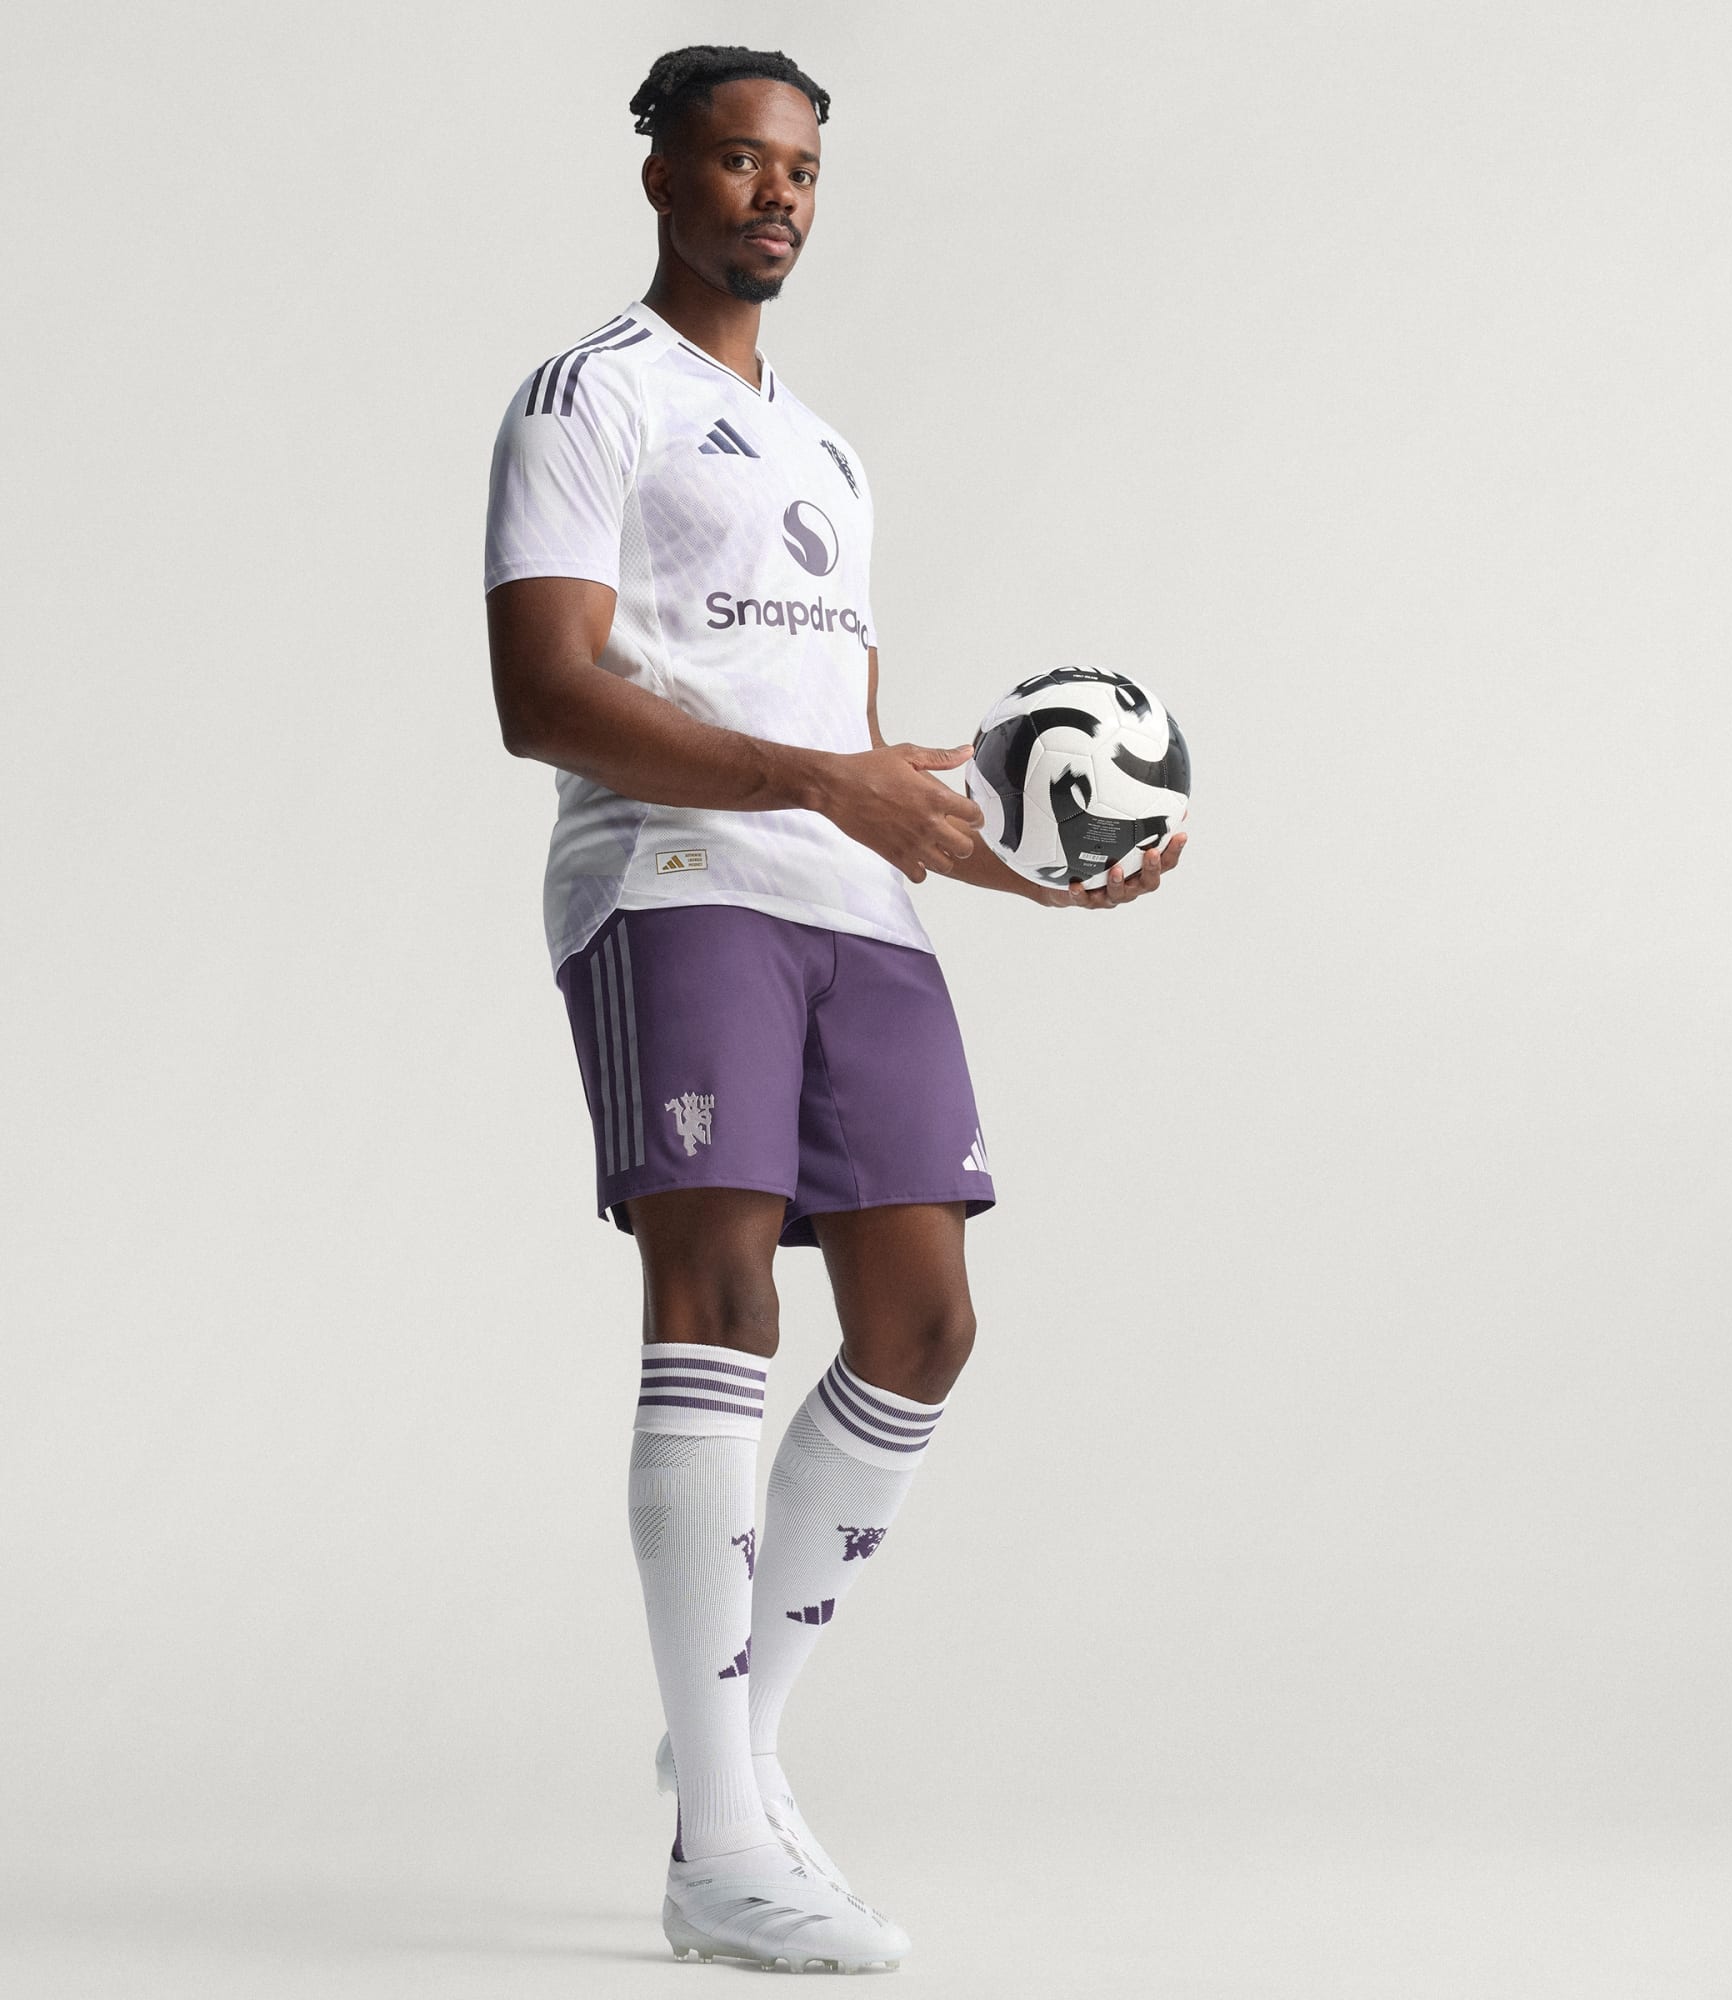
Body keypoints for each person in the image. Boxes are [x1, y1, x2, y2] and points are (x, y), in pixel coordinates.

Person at [483, 43, 1183, 1974]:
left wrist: (1013, 852)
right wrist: (818, 788)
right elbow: (543, 698)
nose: (775, 195)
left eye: (798, 169)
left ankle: (728, 1740)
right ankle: (721, 1844)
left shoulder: (832, 454)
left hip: (847, 908)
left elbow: (851, 748)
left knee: (926, 1323)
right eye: (737, 161)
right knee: (720, 1298)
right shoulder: (587, 398)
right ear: (661, 176)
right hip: (672, 883)